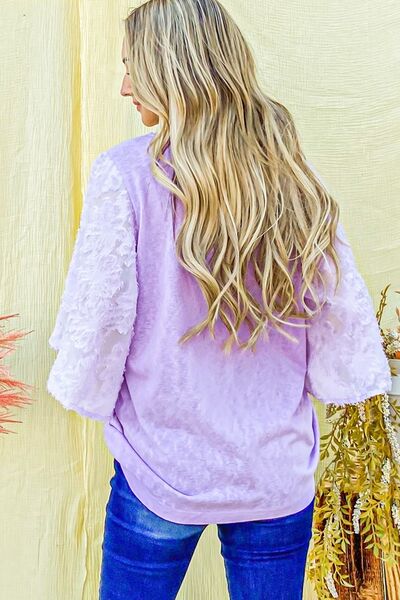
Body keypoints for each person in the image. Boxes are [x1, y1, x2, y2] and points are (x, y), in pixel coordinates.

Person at [46, 1, 392, 598]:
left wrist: (87, 389)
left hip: (160, 465)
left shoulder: (125, 176)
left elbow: (99, 321)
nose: (124, 86)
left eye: (132, 68)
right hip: (273, 468)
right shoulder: (292, 175)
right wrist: (344, 382)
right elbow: (337, 307)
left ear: (171, 71)